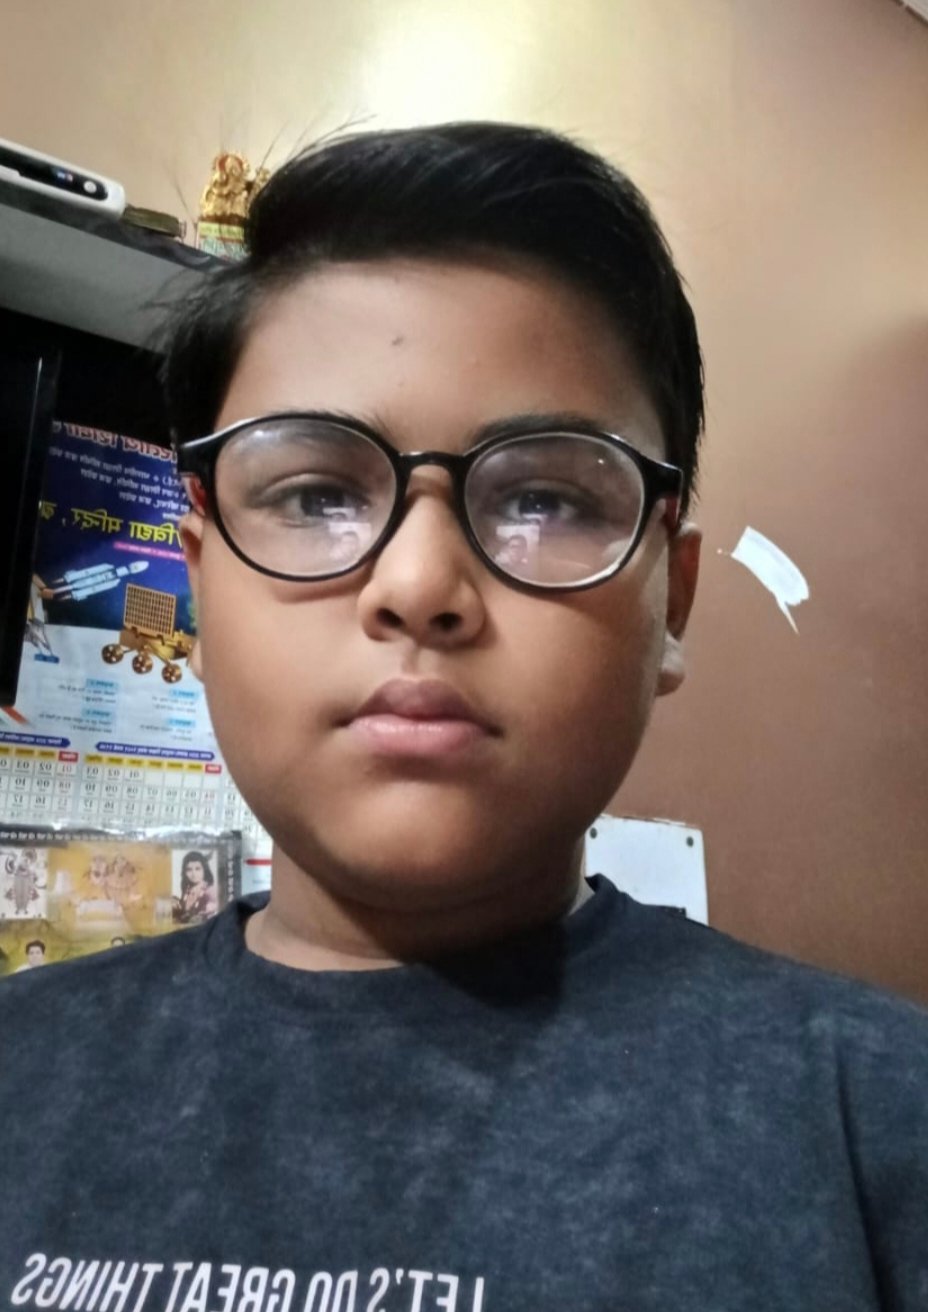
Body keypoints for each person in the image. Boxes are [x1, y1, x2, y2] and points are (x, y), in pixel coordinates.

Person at [0, 123, 925, 1311]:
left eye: (544, 498)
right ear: (199, 577)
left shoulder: (875, 1123)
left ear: (672, 601)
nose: (419, 583)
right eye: (315, 494)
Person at [173, 849, 219, 923]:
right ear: (184, 872)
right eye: (189, 870)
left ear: (204, 870)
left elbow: (212, 913)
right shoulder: (187, 889)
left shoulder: (210, 891)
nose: (193, 874)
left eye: (198, 869)